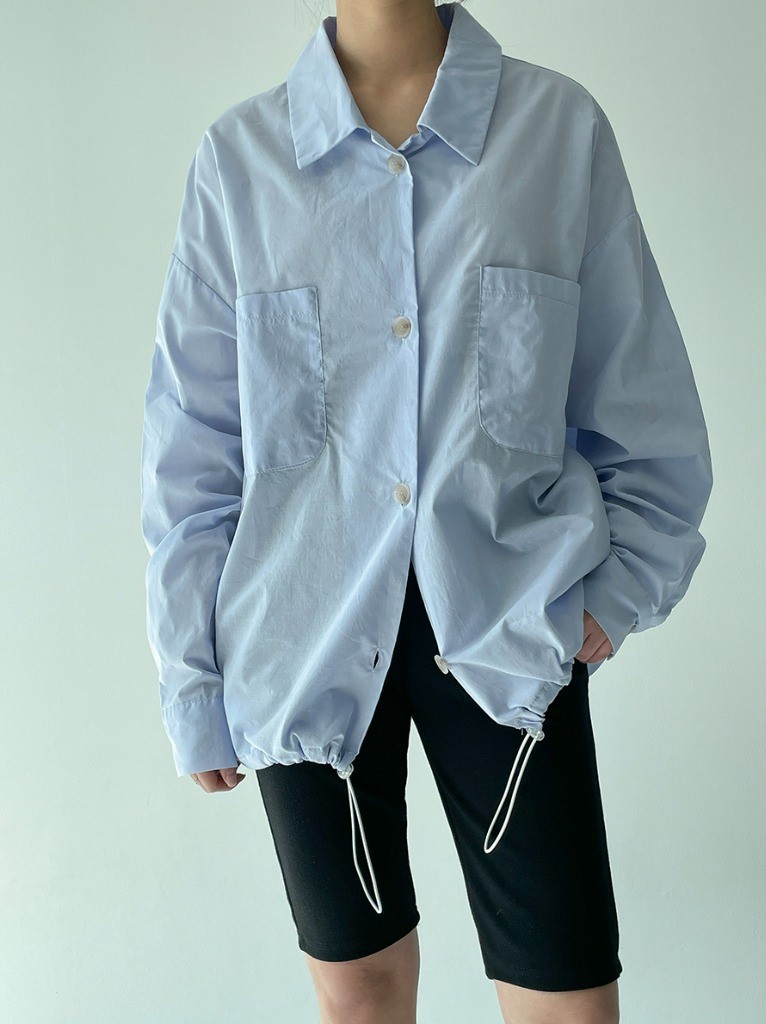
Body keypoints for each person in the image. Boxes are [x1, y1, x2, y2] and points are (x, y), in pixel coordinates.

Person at [139, 2, 713, 1021]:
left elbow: (643, 400)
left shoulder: (556, 131)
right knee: (358, 997)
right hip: (301, 648)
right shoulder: (239, 161)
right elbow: (193, 450)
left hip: (509, 635)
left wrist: (615, 594)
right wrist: (193, 679)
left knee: (567, 1000)